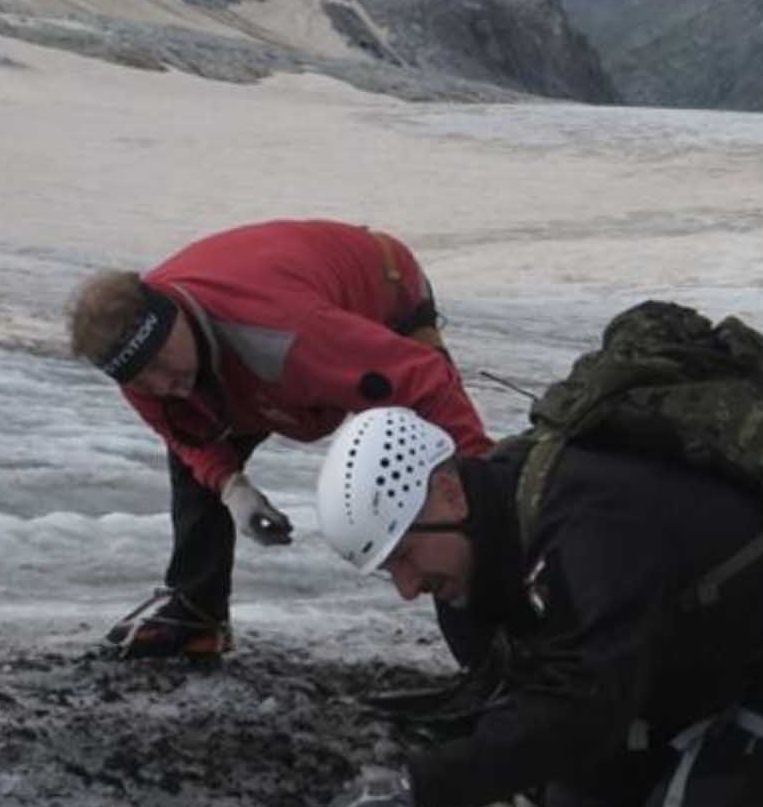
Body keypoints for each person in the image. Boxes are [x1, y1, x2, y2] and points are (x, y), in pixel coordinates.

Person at [307, 407, 763, 807]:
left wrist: (417, 789)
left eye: (406, 558)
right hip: (693, 645)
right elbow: (525, 700)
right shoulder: (471, 558)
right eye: (391, 571)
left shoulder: (591, 524)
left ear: (448, 493)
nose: (408, 588)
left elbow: (582, 709)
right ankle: (719, 749)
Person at [68, 220, 492, 659]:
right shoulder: (144, 371)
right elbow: (186, 440)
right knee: (193, 440)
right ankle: (197, 611)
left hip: (383, 292)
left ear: (174, 315)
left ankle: (487, 647)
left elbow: (424, 382)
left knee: (432, 493)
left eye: (160, 361)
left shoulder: (283, 334)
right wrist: (232, 487)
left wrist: (483, 489)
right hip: (257, 362)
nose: (163, 383)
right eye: (142, 379)